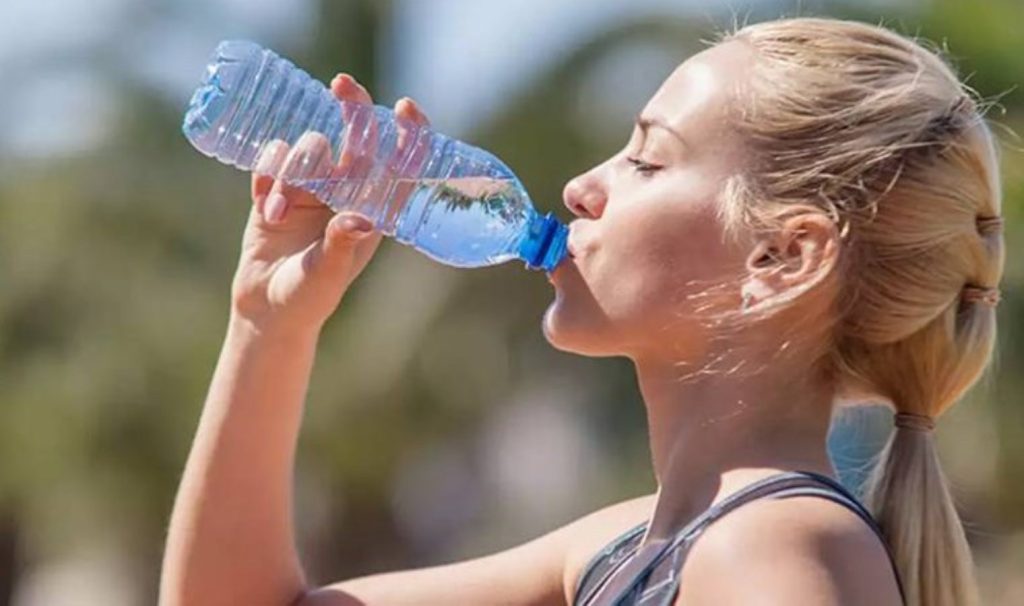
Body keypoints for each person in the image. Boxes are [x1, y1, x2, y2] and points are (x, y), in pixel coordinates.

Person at [160, 17, 1003, 606]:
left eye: (646, 159)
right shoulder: (640, 546)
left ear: (780, 257)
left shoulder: (772, 548)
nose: (578, 187)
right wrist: (268, 321)